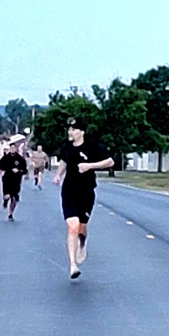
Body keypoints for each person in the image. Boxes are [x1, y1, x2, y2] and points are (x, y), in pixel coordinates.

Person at [53, 117, 114, 279]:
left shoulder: (92, 147)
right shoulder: (66, 147)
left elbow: (109, 161)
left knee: (81, 226)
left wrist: (90, 166)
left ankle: (82, 242)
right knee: (72, 226)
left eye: (73, 129)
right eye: (69, 129)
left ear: (81, 132)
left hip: (86, 191)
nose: (70, 132)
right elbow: (64, 161)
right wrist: (58, 175)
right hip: (69, 191)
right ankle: (72, 265)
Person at [0, 143, 27, 221]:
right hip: (7, 179)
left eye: (14, 148)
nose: (13, 149)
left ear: (16, 149)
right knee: (7, 195)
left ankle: (11, 213)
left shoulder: (20, 159)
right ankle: (5, 200)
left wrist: (19, 170)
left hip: (16, 181)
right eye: (11, 148)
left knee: (14, 197)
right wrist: (1, 173)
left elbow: (25, 170)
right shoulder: (5, 158)